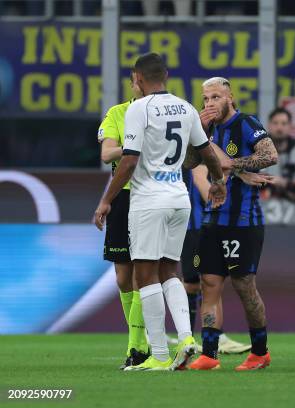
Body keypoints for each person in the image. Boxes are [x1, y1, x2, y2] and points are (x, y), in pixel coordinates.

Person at [94, 52, 226, 371]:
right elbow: (206, 149)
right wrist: (219, 180)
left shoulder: (139, 109)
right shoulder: (185, 107)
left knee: (145, 276)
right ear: (165, 75)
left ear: (138, 79)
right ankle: (185, 338)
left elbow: (129, 160)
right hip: (180, 198)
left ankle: (158, 355)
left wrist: (106, 200)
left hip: (149, 201)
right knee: (170, 271)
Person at [188, 77, 278, 371]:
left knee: (244, 286)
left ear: (230, 97)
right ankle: (210, 355)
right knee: (209, 283)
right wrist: (199, 133)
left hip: (243, 221)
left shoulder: (247, 123)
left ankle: (260, 352)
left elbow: (270, 155)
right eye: (206, 99)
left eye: (216, 97)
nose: (210, 103)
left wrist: (233, 165)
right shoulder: (207, 128)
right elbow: (189, 162)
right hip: (213, 218)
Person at [97, 71, 149, 369]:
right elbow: (107, 154)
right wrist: (134, 146)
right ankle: (138, 339)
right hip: (123, 197)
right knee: (122, 277)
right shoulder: (118, 112)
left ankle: (137, 346)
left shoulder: (161, 113)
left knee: (145, 273)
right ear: (134, 83)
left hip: (151, 195)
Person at [177, 164, 251, 355]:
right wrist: (218, 205)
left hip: (206, 224)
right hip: (193, 225)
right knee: (194, 283)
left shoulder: (214, 143)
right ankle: (188, 337)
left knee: (211, 280)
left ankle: (216, 336)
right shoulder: (196, 145)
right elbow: (199, 176)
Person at [261, 107, 295, 224]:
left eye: (284, 123)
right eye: (276, 123)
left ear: (290, 127)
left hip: (292, 216)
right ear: (269, 125)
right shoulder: (255, 151)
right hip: (261, 216)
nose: (279, 127)